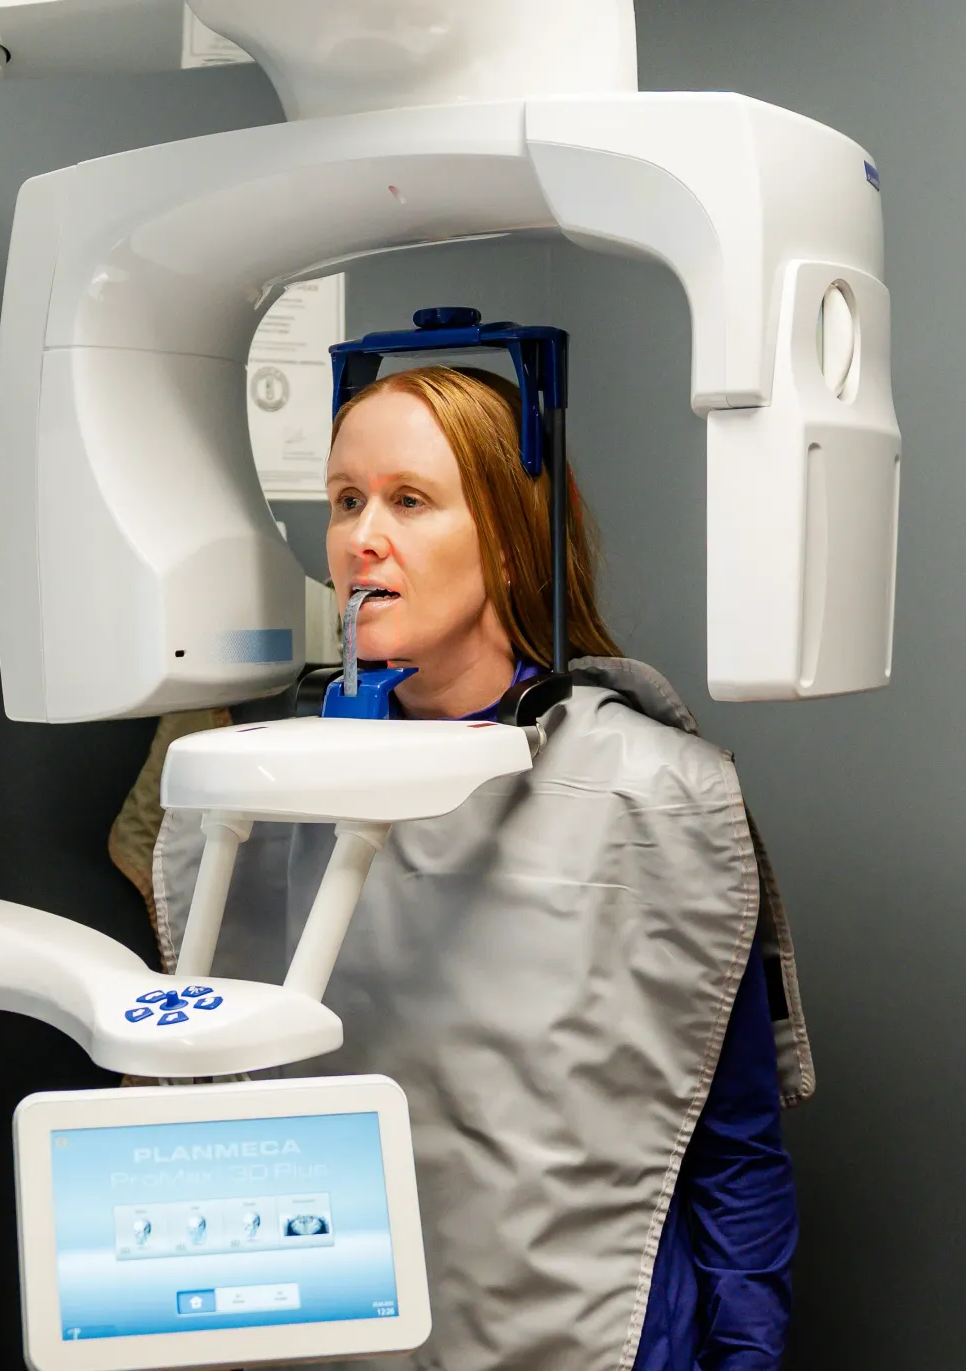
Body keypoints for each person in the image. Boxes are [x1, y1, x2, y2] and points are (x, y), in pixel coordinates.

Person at [151, 365, 814, 1370]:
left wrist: (747, 1356)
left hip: (591, 1331)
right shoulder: (249, 793)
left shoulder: (659, 799)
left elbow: (731, 1146)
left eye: (409, 501)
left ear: (509, 536)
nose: (361, 538)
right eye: (344, 501)